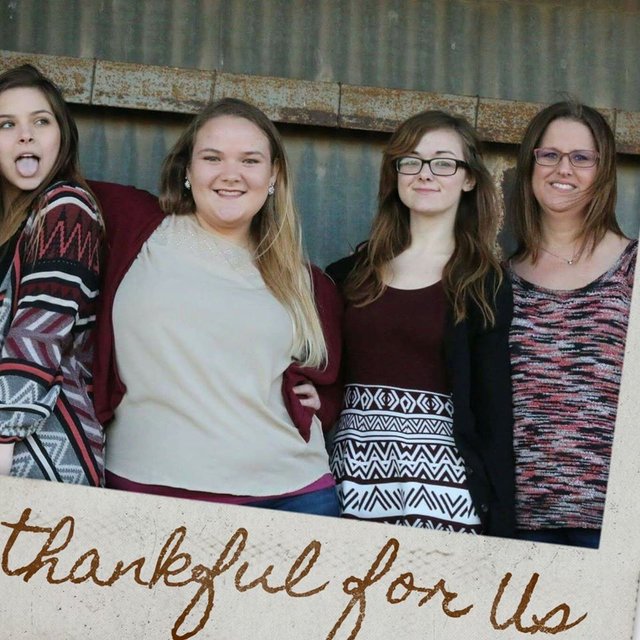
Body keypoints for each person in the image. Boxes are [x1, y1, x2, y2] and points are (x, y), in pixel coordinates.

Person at [91, 98, 342, 515]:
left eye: (249, 160)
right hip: (146, 490)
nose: (231, 174)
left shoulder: (309, 282)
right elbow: (38, 173)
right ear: (187, 170)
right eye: (212, 158)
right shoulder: (134, 224)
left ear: (273, 174)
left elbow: (334, 375)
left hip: (292, 496)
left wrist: (324, 403)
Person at [326, 110, 515, 536]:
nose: (425, 174)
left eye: (443, 162)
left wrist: (502, 522)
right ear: (395, 174)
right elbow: (319, 367)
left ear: (468, 179)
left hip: (444, 490)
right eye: (410, 161)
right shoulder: (347, 275)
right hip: (350, 481)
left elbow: (494, 411)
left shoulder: (484, 284)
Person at [507, 101, 637, 549]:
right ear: (531, 164)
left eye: (581, 157)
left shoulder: (632, 268)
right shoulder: (497, 279)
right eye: (550, 155)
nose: (564, 169)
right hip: (517, 522)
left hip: (616, 522)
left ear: (603, 172)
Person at [0, 64, 104, 485]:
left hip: (38, 454)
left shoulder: (66, 209)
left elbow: (39, 335)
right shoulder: (11, 222)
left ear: (61, 134)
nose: (25, 135)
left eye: (40, 121)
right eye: (7, 124)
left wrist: (3, 438)